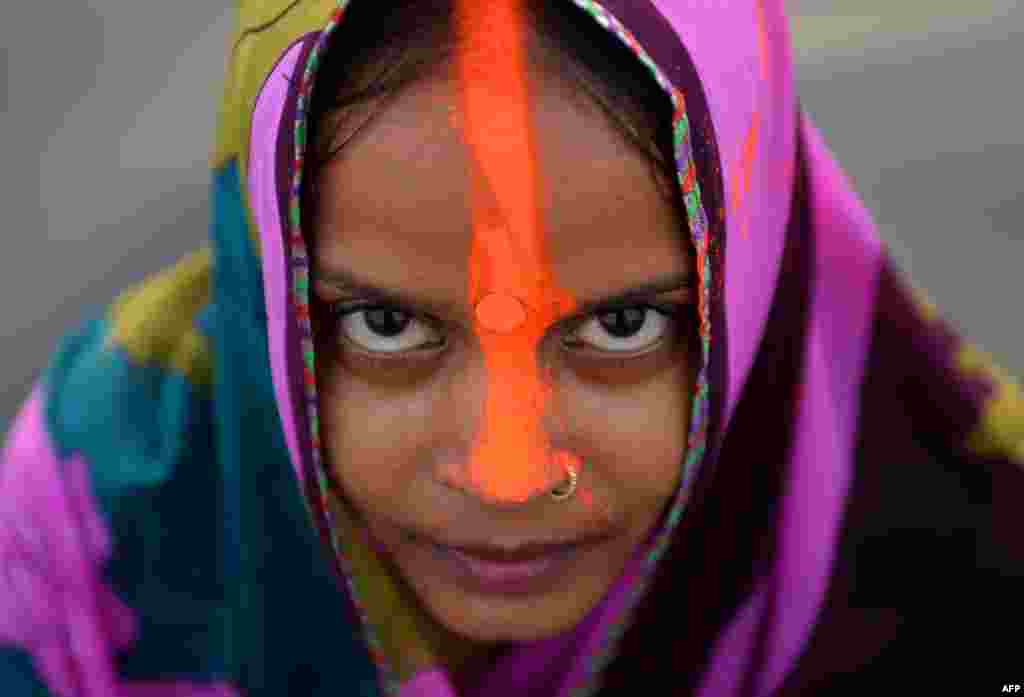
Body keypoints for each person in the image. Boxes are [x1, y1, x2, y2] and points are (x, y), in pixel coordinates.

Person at [2, 1, 1022, 695]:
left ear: (755, 279)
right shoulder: (94, 539)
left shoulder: (966, 571)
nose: (507, 474)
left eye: (621, 325)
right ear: (267, 281)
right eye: (385, 324)